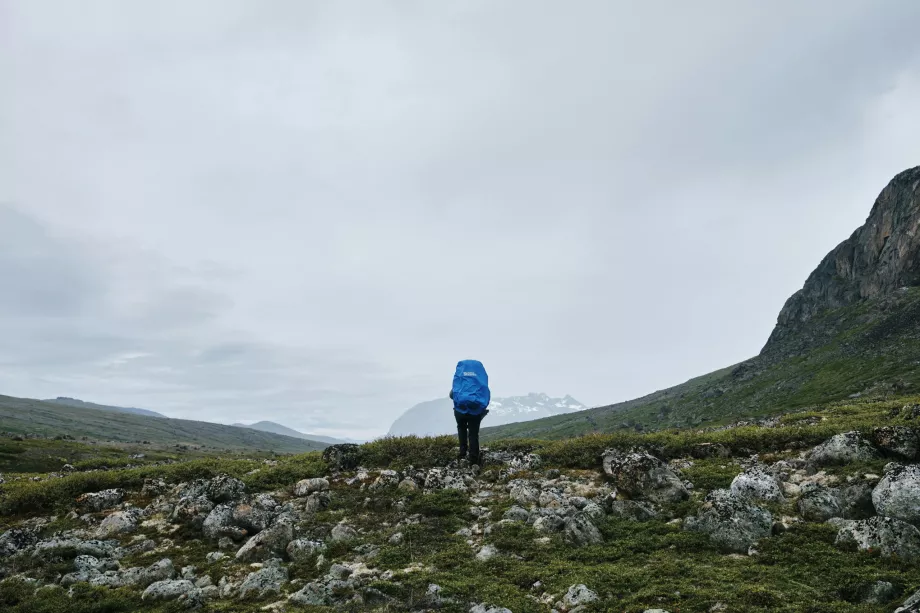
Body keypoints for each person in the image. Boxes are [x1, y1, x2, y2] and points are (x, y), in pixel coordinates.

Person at [450, 359, 490, 465]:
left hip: (459, 410)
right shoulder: (480, 381)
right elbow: (485, 396)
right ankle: (473, 459)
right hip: (475, 411)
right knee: (473, 434)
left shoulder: (460, 380)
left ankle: (462, 454)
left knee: (461, 428)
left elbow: (451, 395)